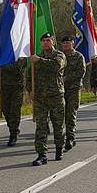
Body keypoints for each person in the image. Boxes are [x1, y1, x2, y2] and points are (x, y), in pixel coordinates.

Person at [30, 33, 66, 166]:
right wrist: (30, 90)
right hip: (41, 98)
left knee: (58, 124)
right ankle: (41, 154)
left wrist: (39, 60)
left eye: (48, 40)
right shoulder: (37, 57)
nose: (46, 43)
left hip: (56, 96)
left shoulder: (59, 55)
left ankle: (58, 148)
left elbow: (56, 66)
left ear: (53, 42)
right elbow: (30, 75)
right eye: (43, 40)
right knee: (41, 126)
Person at [61, 35, 86, 151]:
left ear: (73, 43)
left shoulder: (78, 56)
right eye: (64, 43)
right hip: (60, 90)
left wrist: (67, 78)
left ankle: (70, 137)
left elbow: (81, 72)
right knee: (61, 115)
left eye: (68, 42)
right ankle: (62, 136)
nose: (66, 45)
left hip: (73, 90)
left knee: (71, 114)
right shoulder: (59, 56)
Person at [0, 58, 27, 146]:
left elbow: (18, 69)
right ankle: (12, 127)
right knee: (5, 110)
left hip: (17, 87)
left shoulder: (21, 56)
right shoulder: (4, 54)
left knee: (14, 110)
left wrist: (3, 62)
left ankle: (13, 134)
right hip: (5, 86)